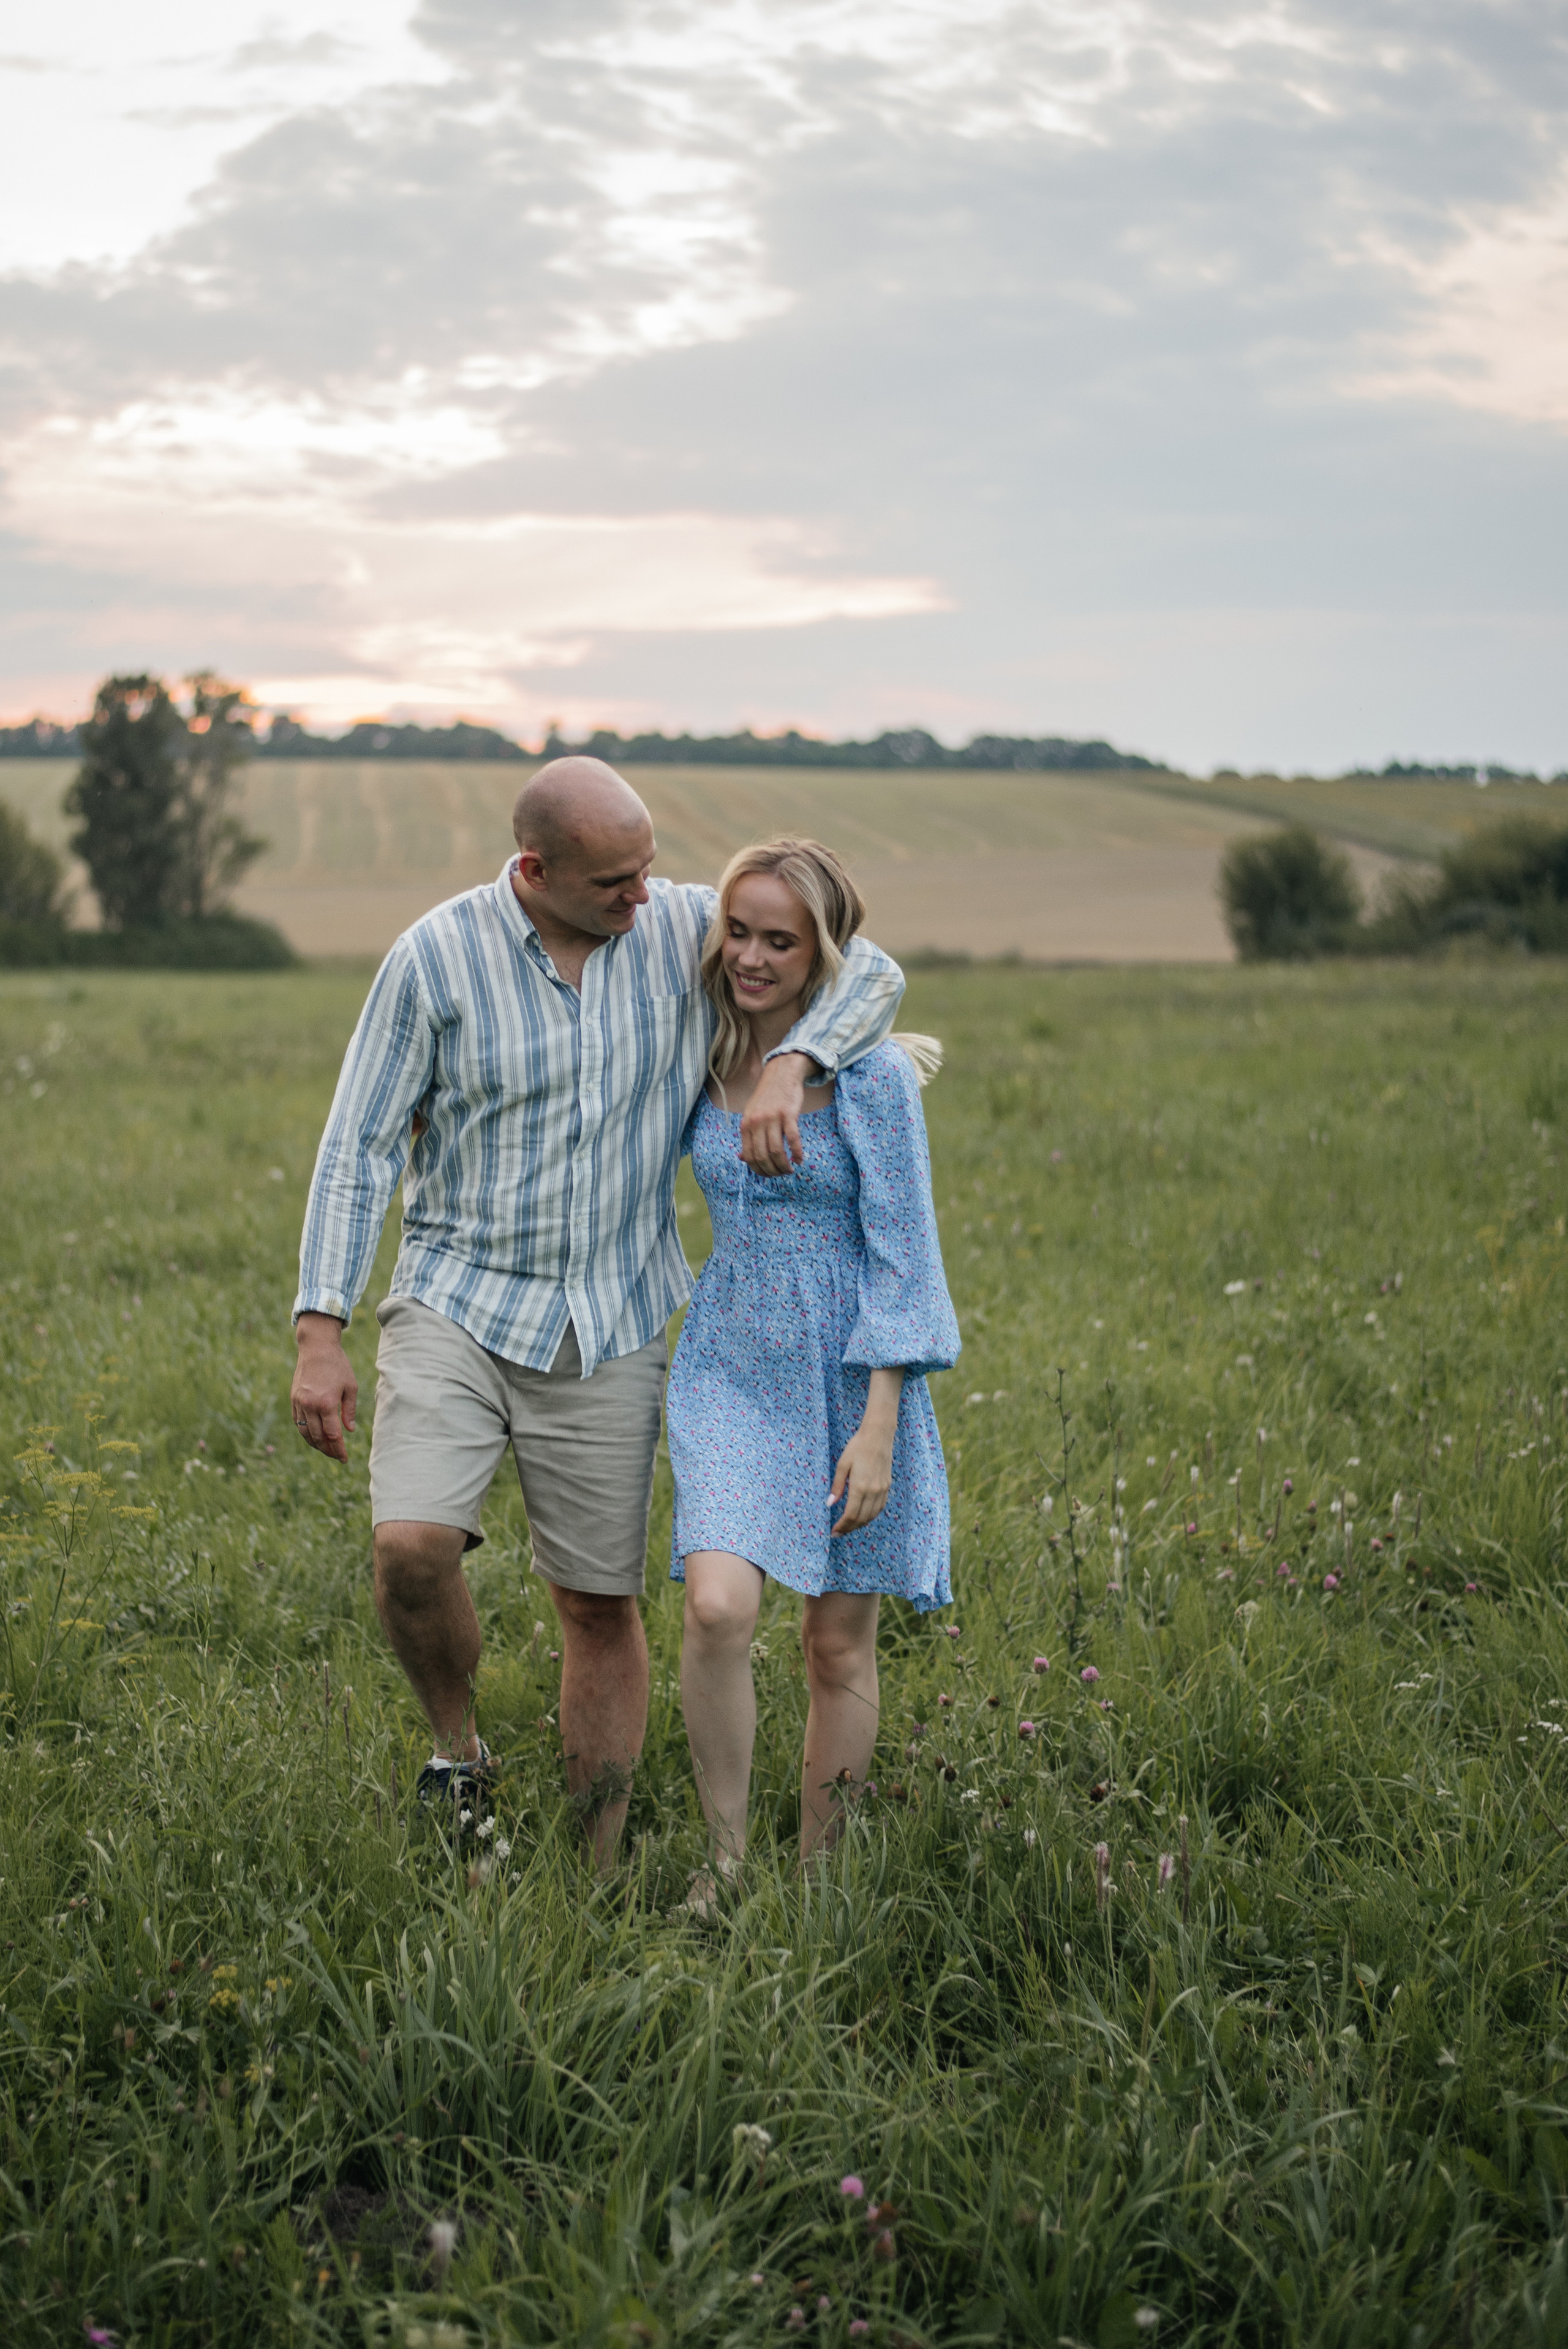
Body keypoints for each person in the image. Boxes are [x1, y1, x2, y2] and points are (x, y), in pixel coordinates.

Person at [289, 761, 904, 1867]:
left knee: (596, 1601)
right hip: (457, 1295)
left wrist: (796, 1061)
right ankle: (459, 1755)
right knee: (411, 1547)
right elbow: (357, 1148)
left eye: (651, 868)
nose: (646, 894)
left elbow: (873, 968)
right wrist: (319, 1328)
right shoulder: (435, 957)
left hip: (613, 1315)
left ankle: (596, 1870)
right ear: (536, 869)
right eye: (618, 879)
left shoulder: (677, 929)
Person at [667, 837, 959, 1880]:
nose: (752, 957)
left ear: (822, 953)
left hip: (851, 1375)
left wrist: (881, 1425)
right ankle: (724, 1865)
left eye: (780, 941)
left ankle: (818, 1875)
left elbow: (904, 1255)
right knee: (717, 1606)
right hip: (730, 1365)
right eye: (739, 933)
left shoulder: (874, 1078)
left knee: (835, 1643)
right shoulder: (700, 1050)